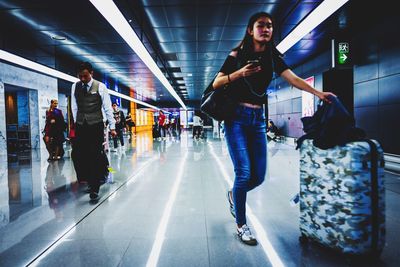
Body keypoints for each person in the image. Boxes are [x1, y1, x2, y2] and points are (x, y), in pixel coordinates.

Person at [212, 12, 335, 245]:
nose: (266, 29)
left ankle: (233, 194)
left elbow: (294, 79)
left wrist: (318, 93)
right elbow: (217, 82)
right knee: (244, 173)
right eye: (261, 25)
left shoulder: (273, 58)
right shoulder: (237, 55)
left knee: (258, 177)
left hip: (258, 119)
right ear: (250, 30)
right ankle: (242, 225)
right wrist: (240, 73)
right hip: (235, 118)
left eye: (269, 26)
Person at [71, 62, 116, 201]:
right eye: (80, 76)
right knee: (78, 154)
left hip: (96, 125)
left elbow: (108, 108)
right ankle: (87, 178)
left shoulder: (101, 87)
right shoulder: (75, 86)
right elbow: (74, 106)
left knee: (95, 154)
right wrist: (75, 123)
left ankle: (94, 186)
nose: (82, 79)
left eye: (85, 76)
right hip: (81, 125)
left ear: (91, 73)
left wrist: (113, 126)